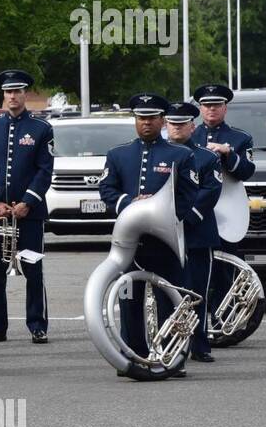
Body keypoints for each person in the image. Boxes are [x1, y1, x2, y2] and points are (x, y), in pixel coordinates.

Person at [98, 93, 198, 378]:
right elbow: (107, 190)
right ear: (135, 120)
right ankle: (133, 355)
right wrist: (131, 203)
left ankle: (173, 356)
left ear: (162, 120)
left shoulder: (181, 155)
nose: (146, 123)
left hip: (164, 243)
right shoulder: (118, 154)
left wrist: (160, 209)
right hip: (131, 243)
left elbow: (188, 196)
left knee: (171, 300)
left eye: (152, 118)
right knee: (129, 300)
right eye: (141, 118)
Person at [0, 69, 54, 344]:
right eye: (9, 92)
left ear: (25, 94)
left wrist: (28, 202)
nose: (13, 96)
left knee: (33, 270)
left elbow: (45, 170)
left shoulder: (41, 129)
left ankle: (37, 324)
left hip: (30, 214)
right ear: (4, 95)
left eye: (18, 91)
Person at [189, 82, 257, 318]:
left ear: (225, 108)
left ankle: (223, 319)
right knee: (195, 266)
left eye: (216, 105)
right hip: (196, 207)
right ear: (200, 108)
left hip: (227, 210)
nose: (211, 110)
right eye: (206, 105)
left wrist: (229, 153)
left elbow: (246, 172)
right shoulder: (190, 135)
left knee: (225, 267)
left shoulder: (239, 138)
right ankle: (196, 320)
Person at [165, 102, 223, 363]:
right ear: (166, 125)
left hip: (197, 232)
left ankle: (199, 343)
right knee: (167, 290)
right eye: (172, 123)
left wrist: (185, 218)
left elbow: (210, 191)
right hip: (164, 233)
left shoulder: (207, 157)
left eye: (182, 123)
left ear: (192, 126)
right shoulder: (159, 155)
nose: (177, 127)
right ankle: (170, 342)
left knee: (197, 290)